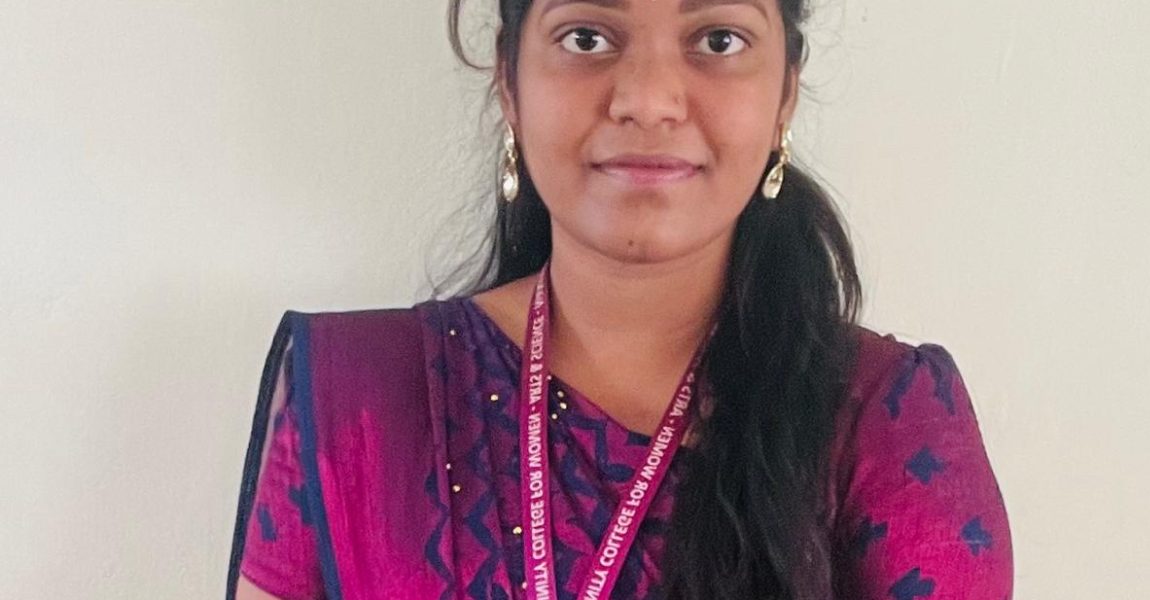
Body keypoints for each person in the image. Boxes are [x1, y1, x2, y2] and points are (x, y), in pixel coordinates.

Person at [225, 0, 1013, 598]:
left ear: (785, 95)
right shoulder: (356, 401)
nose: (647, 99)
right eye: (586, 37)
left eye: (718, 39)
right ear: (509, 82)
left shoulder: (884, 417)